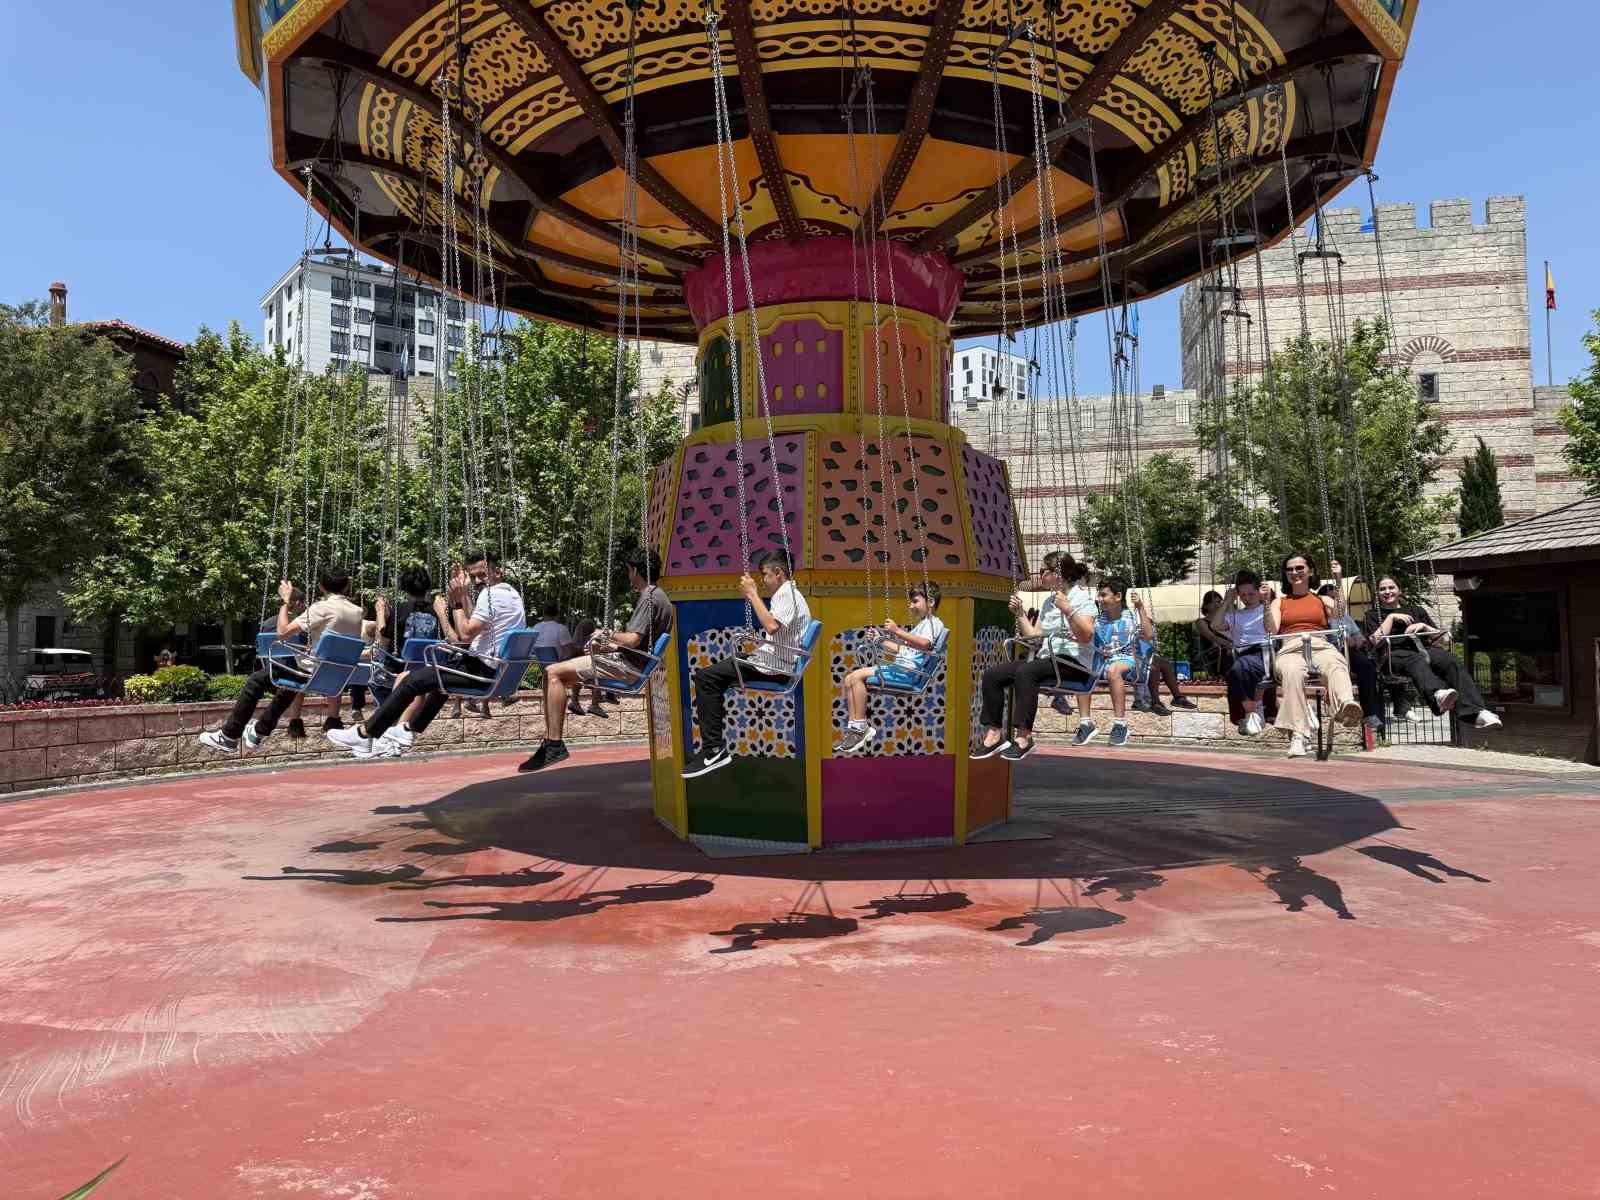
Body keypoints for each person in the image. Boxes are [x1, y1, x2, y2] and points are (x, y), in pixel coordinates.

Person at [326, 550, 526, 758]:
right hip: (493, 669)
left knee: (411, 681)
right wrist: (463, 595)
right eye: (473, 576)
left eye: (482, 575)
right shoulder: (511, 594)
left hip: (481, 671)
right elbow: (471, 625)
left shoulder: (490, 595)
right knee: (438, 681)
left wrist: (456, 603)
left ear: (497, 572)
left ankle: (365, 733)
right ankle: (407, 729)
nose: (477, 581)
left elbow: (465, 635)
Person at [521, 550, 674, 772]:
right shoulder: (660, 596)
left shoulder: (649, 597)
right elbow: (640, 644)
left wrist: (605, 634)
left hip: (628, 667)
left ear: (636, 571)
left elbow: (633, 639)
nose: (628, 576)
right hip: (632, 663)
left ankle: (554, 744)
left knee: (552, 672)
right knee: (555, 677)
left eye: (628, 571)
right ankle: (550, 740)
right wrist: (609, 647)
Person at [199, 567, 363, 755]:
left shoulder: (321, 608)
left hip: (311, 672)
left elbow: (283, 633)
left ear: (321, 587)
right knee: (287, 686)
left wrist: (285, 601)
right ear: (346, 586)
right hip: (337, 676)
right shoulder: (357, 611)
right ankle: (259, 731)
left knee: (256, 680)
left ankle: (229, 735)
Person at [682, 547, 811, 779]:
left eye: (765, 575)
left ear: (779, 573)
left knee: (705, 678)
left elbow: (772, 626)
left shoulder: (787, 593)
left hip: (776, 667)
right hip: (773, 661)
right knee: (717, 677)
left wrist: (752, 594)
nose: (763, 581)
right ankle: (715, 744)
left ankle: (714, 749)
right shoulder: (787, 594)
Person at [975, 551, 1097, 762]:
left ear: (1058, 573)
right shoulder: (1049, 602)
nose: (1039, 575)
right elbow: (1034, 636)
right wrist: (1020, 614)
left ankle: (1024, 737)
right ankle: (994, 734)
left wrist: (1068, 610)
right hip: (1048, 660)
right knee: (993, 674)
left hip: (1073, 663)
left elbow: (1086, 635)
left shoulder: (1082, 599)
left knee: (1026, 671)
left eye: (1043, 571)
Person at [1362, 575, 1502, 729]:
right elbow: (1375, 640)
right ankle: (1437, 694)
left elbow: (1442, 640)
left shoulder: (1416, 610)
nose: (1387, 591)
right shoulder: (1372, 615)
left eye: (1391, 587)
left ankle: (1475, 713)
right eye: (1382, 589)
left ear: (1399, 590)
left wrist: (1424, 627)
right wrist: (1391, 617)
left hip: (1422, 650)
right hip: (1392, 656)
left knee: (1450, 660)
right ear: (1377, 593)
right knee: (1415, 660)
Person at [1264, 552, 1364, 758]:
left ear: (1309, 571)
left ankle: (1346, 704)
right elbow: (1271, 629)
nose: (1295, 572)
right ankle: (1298, 735)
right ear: (1285, 574)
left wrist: (1338, 581)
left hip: (1319, 644)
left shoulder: (1322, 599)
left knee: (1336, 662)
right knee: (1293, 672)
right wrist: (1266, 603)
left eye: (1299, 568)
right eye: (1290, 569)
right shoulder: (1279, 602)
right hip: (1291, 646)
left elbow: (1339, 613)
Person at [834, 582, 947, 755]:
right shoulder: (922, 625)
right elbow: (903, 649)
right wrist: (879, 640)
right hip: (900, 669)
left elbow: (925, 644)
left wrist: (896, 631)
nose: (911, 606)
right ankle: (853, 728)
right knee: (849, 678)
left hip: (907, 673)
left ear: (930, 602)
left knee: (856, 677)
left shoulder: (934, 623)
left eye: (915, 601)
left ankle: (861, 728)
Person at [1070, 578, 1153, 748]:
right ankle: (1086, 723)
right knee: (1083, 668)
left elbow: (1148, 635)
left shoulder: (1132, 616)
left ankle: (1120, 724)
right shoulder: (1097, 619)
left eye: (1103, 595)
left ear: (1118, 597)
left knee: (1114, 670)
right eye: (1099, 595)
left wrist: (1140, 607)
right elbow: (1085, 636)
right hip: (1103, 662)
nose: (1099, 599)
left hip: (1129, 660)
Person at [1213, 570, 1274, 736]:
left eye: (1251, 594)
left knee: (1239, 668)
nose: (1247, 598)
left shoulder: (1267, 610)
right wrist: (1227, 601)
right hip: (1242, 654)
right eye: (1243, 595)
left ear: (1258, 592)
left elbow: (1272, 628)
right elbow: (1215, 625)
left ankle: (1252, 712)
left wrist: (1266, 601)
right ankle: (1253, 710)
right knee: (1235, 670)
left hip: (1265, 653)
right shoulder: (1236, 615)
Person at [259, 586, 309, 739]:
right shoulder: (300, 624)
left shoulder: (267, 623)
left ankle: (293, 722)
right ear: (299, 603)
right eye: (304, 603)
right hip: (295, 673)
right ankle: (295, 721)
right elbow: (306, 649)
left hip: (271, 671)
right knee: (302, 675)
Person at [1193, 590, 1232, 678]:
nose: (1216, 605)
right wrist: (1229, 644)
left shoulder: (1226, 620)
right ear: (1206, 605)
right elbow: (1211, 637)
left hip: (1228, 651)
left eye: (1219, 602)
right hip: (1213, 653)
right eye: (1212, 603)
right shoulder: (1201, 622)